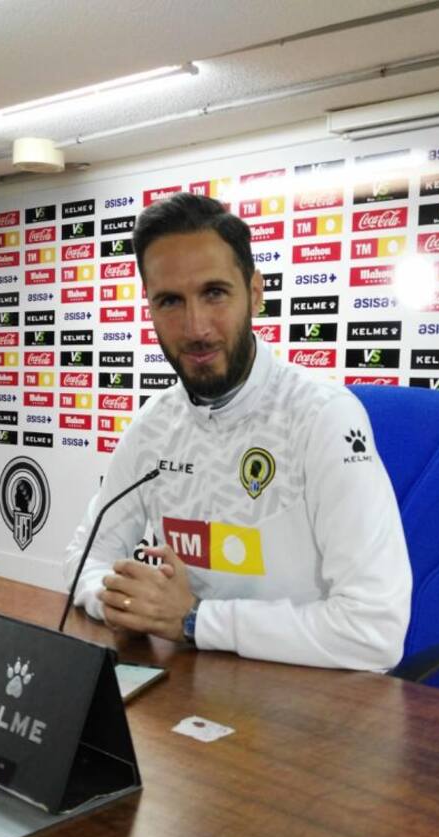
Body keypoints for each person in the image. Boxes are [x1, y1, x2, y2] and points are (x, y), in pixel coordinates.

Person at [62, 192, 411, 671]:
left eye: (214, 293)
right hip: (192, 680)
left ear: (256, 292)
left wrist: (194, 620)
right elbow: (84, 560)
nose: (195, 327)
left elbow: (375, 631)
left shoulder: (322, 417)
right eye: (170, 301)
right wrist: (125, 603)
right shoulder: (154, 424)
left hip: (315, 694)